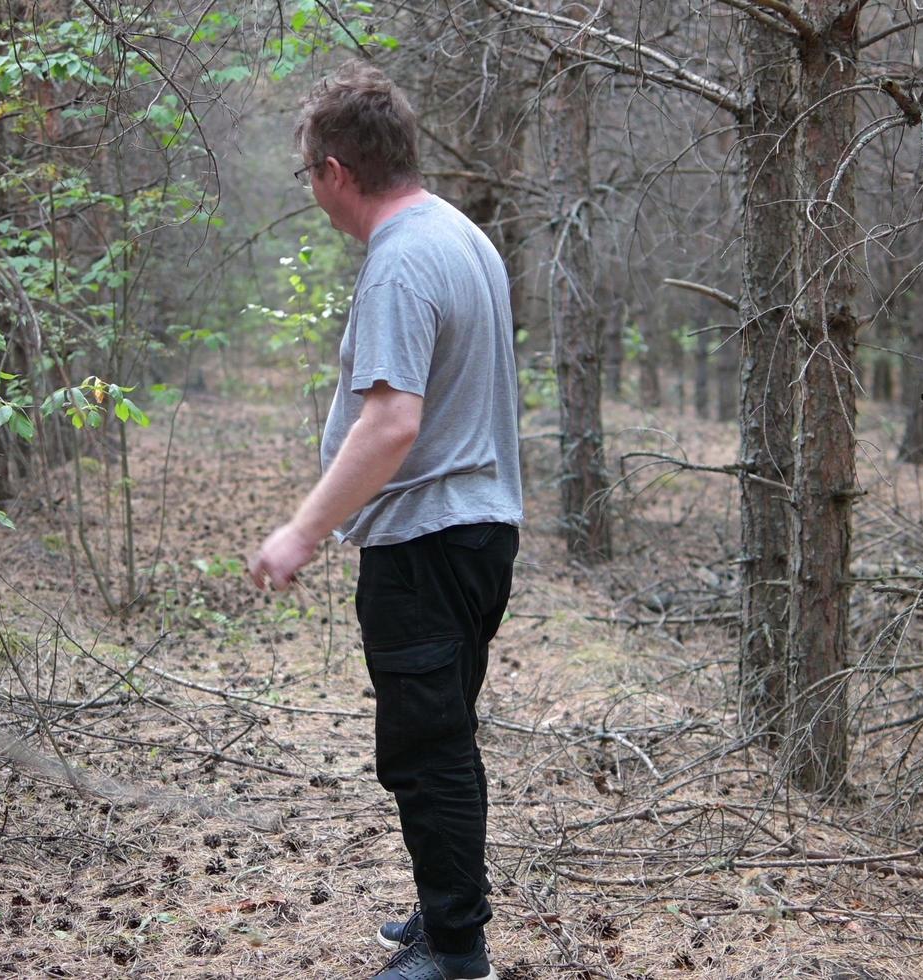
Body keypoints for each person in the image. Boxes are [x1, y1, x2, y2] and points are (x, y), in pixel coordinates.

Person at [248, 60, 523, 980]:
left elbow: (392, 421)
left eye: (308, 175)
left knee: (424, 750)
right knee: (443, 735)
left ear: (334, 170)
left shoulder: (401, 261)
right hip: (478, 534)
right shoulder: (461, 236)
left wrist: (302, 530)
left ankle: (455, 952)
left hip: (427, 543)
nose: (313, 192)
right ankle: (446, 912)